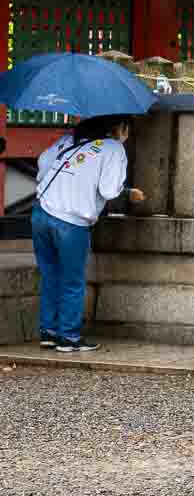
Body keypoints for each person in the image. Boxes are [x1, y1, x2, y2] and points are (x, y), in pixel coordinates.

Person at [33, 115, 142, 352]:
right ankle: (69, 337)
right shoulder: (113, 148)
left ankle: (48, 332)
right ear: (121, 128)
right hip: (70, 221)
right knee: (73, 281)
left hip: (41, 211)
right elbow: (109, 190)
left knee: (51, 275)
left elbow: (43, 163)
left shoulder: (70, 138)